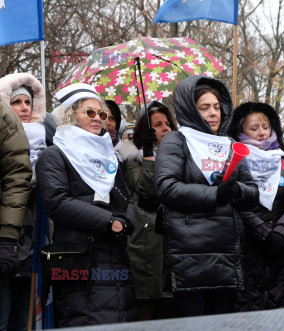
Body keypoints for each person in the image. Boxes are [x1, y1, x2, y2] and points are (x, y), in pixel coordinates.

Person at [155, 75, 259, 317]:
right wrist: (216, 194)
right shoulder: (176, 140)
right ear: (190, 110)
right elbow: (167, 188)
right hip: (189, 254)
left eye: (216, 107)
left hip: (226, 254)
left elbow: (252, 191)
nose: (214, 113)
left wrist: (237, 190)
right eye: (204, 108)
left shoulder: (228, 143)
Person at [36, 83, 136, 327]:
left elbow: (127, 197)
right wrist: (108, 221)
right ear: (71, 115)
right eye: (89, 112)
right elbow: (58, 203)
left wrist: (127, 222)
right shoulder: (54, 154)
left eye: (102, 114)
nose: (98, 118)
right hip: (78, 260)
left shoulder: (110, 157)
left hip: (115, 255)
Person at [228, 102, 284, 311]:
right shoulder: (235, 160)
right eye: (254, 128)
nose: (261, 133)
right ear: (240, 131)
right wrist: (264, 233)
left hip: (282, 252)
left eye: (265, 126)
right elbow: (235, 202)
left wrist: (280, 234)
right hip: (247, 251)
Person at [117, 101, 177, 320]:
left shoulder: (181, 154)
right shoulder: (132, 156)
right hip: (146, 239)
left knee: (172, 304)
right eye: (158, 124)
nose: (165, 128)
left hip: (174, 235)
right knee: (147, 303)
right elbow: (147, 190)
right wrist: (149, 153)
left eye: (168, 123)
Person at [0, 72, 46, 331]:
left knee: (22, 318)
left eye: (28, 102)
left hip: (33, 235)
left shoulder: (48, 137)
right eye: (16, 102)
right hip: (7, 236)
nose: (24, 108)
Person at [0, 99, 32, 331]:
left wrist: (7, 236)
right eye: (18, 101)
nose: (24, 106)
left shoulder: (2, 113)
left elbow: (17, 175)